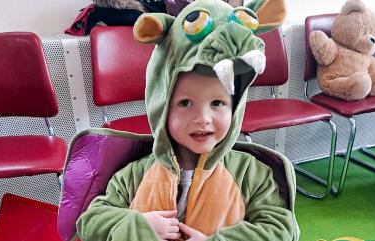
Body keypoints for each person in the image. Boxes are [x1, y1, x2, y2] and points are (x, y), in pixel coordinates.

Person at [76, 0, 299, 240]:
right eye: (185, 103)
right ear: (161, 107)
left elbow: (281, 229)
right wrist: (139, 225)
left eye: (217, 103)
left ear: (234, 109)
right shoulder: (135, 173)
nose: (203, 119)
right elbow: (90, 222)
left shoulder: (251, 173)